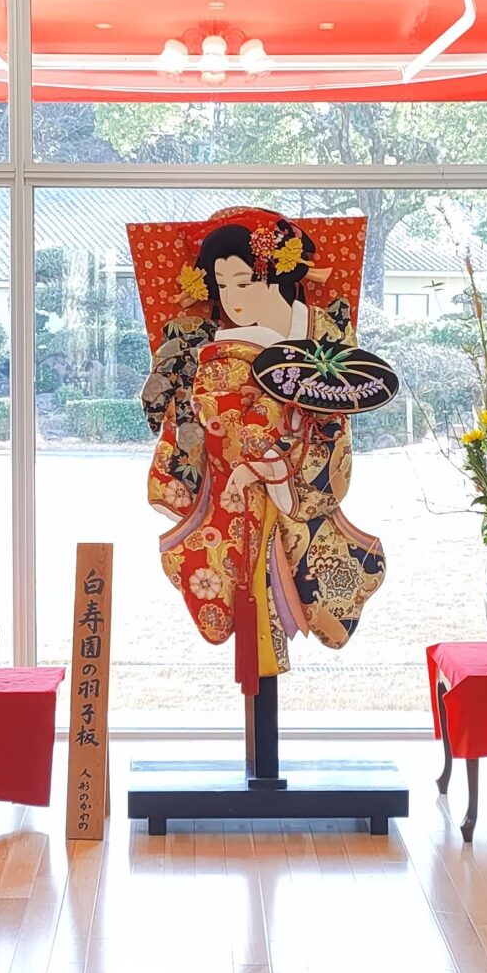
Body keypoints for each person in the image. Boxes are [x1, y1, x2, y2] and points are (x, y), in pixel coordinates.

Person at [138, 210, 386, 694]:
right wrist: (235, 446)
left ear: (275, 274)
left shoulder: (323, 328)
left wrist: (274, 461)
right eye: (221, 285)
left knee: (308, 558)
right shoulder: (205, 343)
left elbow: (335, 410)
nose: (232, 298)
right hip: (230, 487)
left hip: (298, 479)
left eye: (245, 281)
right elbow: (193, 414)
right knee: (233, 574)